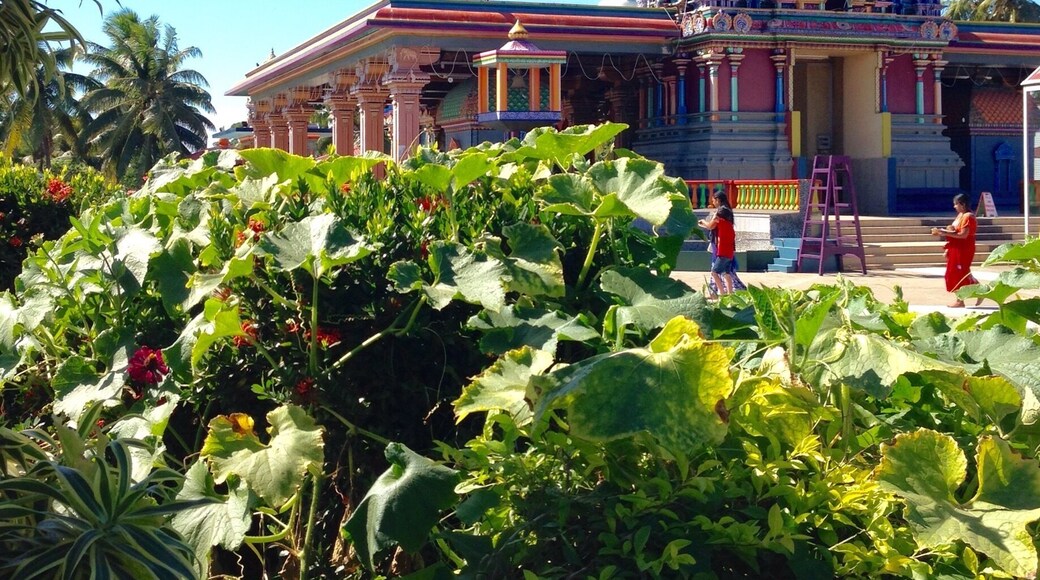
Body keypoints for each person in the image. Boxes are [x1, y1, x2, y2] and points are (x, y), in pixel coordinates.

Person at [930, 192, 981, 308]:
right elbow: (955, 231)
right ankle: (971, 293)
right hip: (956, 247)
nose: (954, 206)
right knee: (953, 273)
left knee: (960, 273)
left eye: (956, 204)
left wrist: (943, 232)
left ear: (962, 204)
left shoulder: (968, 217)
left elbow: (963, 235)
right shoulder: (960, 216)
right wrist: (945, 232)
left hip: (964, 248)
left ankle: (962, 298)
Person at [698, 191, 737, 297]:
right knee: (726, 273)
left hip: (722, 248)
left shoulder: (720, 212)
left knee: (714, 273)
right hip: (729, 248)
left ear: (718, 200)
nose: (713, 202)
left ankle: (722, 294)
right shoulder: (729, 211)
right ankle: (730, 294)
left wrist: (702, 223)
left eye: (714, 200)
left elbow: (711, 226)